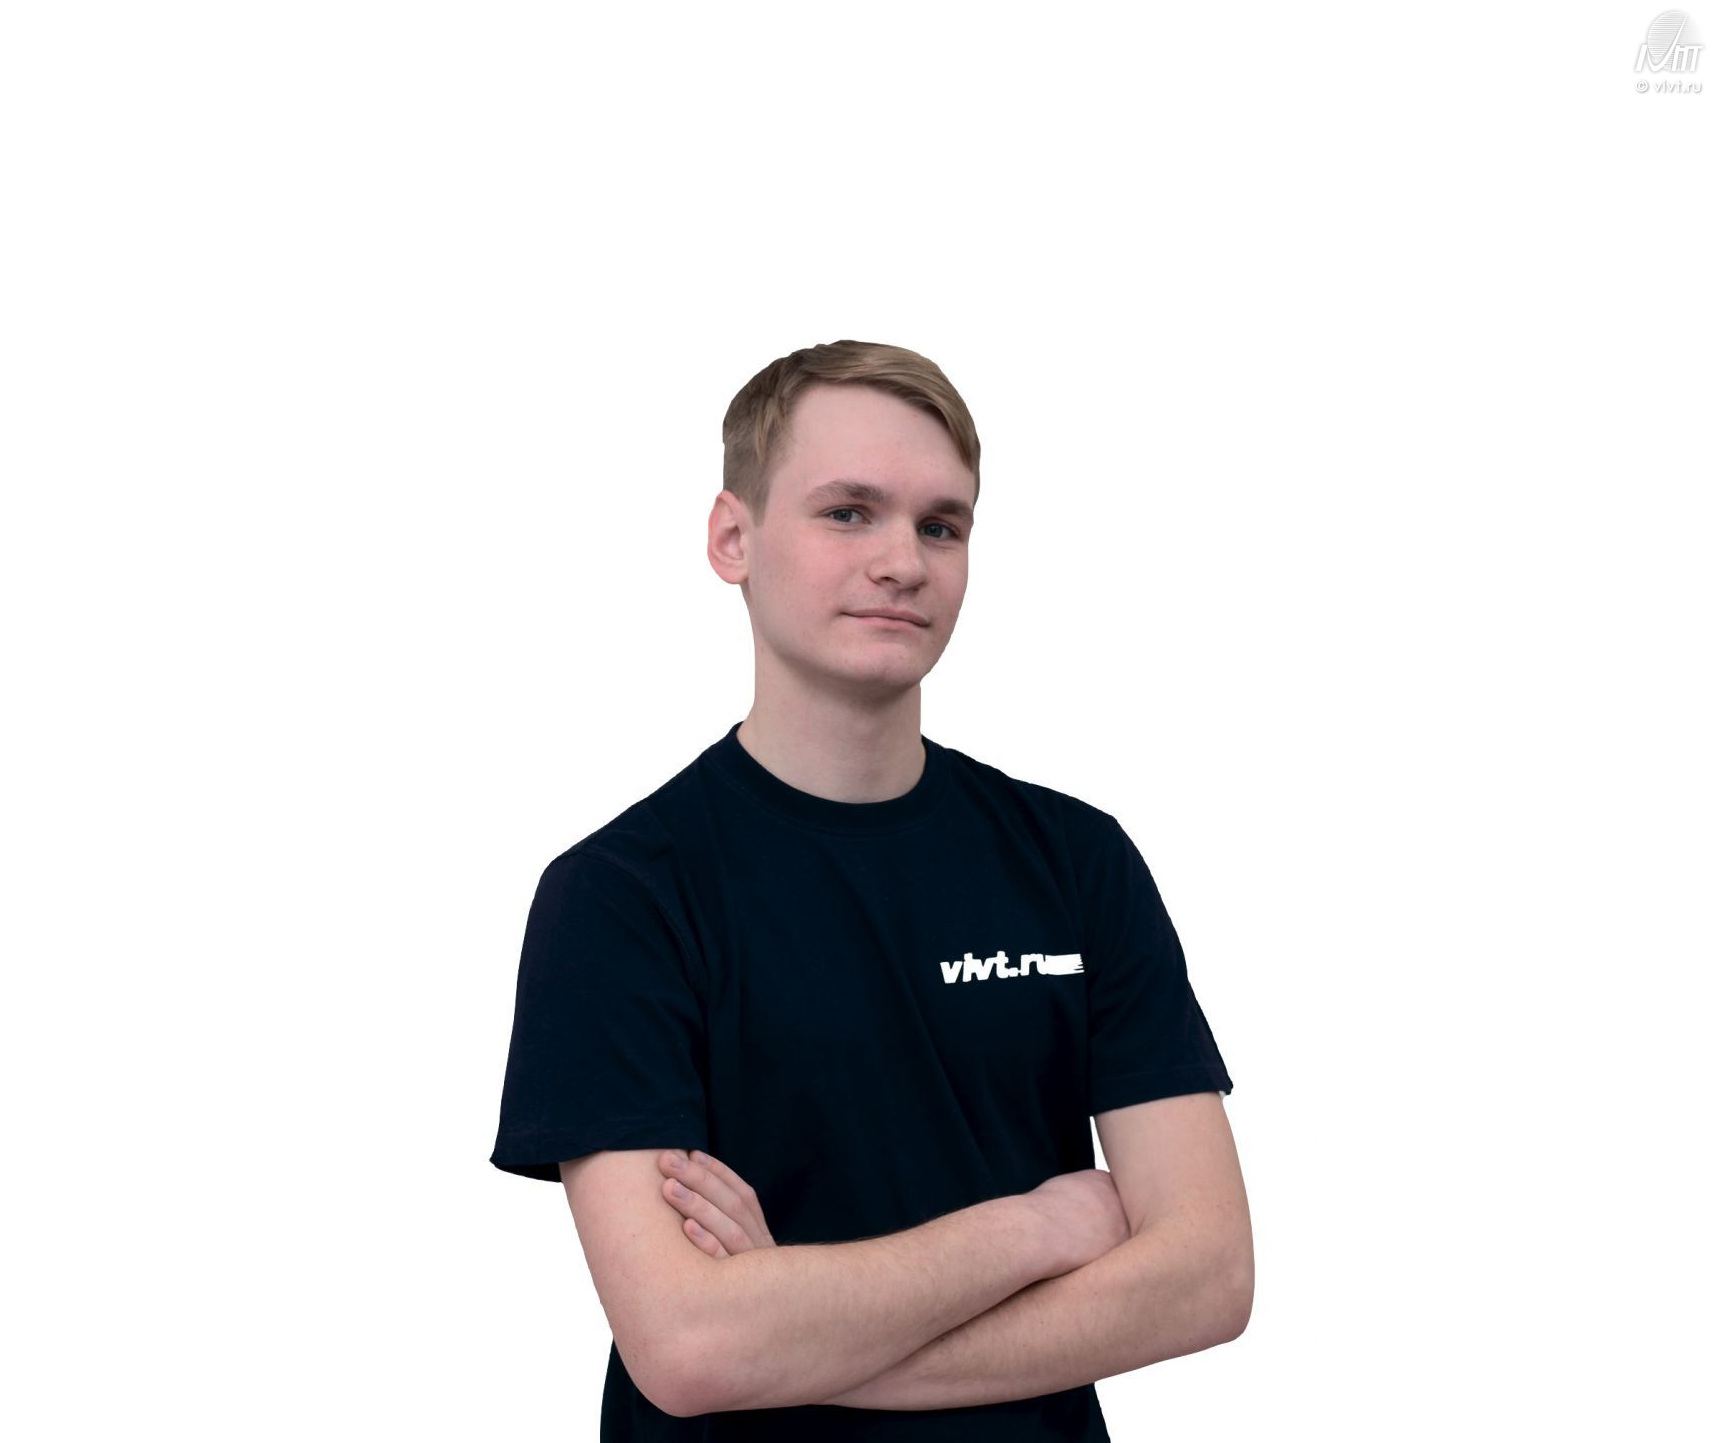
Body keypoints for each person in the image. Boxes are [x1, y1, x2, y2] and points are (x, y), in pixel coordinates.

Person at [489, 339, 1252, 1439]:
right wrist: (1036, 1228)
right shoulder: (619, 897)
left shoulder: (1077, 859)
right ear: (733, 538)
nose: (903, 561)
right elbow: (690, 1346)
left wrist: (794, 1334)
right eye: (848, 513)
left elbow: (1207, 1276)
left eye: (941, 525)